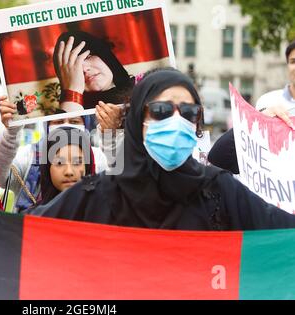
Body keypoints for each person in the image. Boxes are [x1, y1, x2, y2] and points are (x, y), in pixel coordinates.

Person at [30, 68, 295, 230]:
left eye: (189, 112)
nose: (176, 120)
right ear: (137, 119)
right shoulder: (98, 194)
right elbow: (24, 233)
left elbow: (282, 232)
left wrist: (262, 122)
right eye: (161, 110)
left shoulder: (218, 190)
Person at [0, 95, 108, 213]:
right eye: (58, 122)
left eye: (74, 121)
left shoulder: (98, 158)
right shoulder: (29, 156)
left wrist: (114, 132)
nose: (69, 171)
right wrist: (12, 132)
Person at [208, 41, 295, 173]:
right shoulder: (268, 102)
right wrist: (260, 120)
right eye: (293, 61)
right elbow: (219, 157)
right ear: (287, 65)